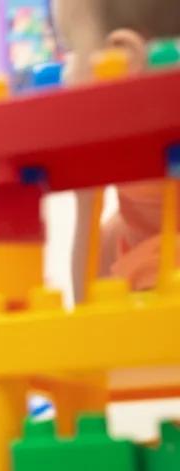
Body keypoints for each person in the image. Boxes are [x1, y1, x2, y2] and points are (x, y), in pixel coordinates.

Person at [52, 0, 180, 299]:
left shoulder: (158, 250)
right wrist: (86, 202)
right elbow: (91, 310)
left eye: (73, 53)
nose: (66, 77)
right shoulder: (126, 224)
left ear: (125, 54)